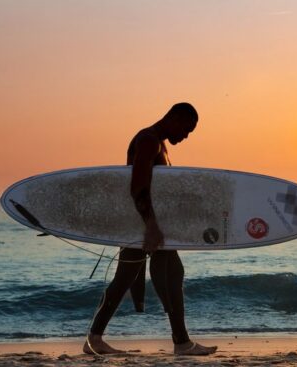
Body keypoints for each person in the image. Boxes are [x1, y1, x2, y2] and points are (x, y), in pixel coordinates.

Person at [83, 103, 217, 356]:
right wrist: (152, 226)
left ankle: (94, 339)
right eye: (186, 129)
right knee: (171, 274)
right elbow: (138, 186)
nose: (186, 136)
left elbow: (160, 190)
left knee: (128, 279)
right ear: (175, 118)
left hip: (143, 223)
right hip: (146, 223)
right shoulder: (148, 141)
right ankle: (181, 342)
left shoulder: (158, 143)